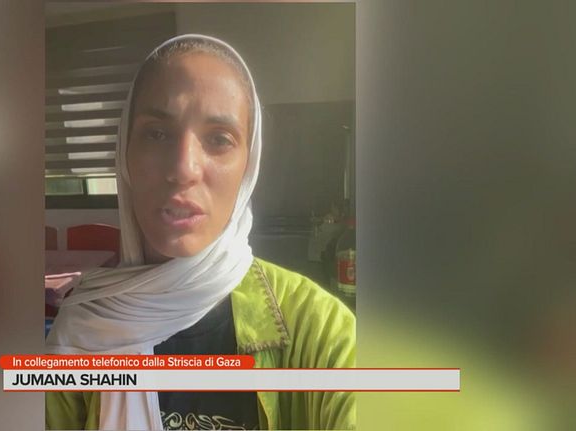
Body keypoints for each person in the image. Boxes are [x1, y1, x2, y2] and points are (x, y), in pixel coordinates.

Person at [46, 34, 355, 431]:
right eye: (157, 133)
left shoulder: (319, 328)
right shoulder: (82, 330)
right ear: (125, 153)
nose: (184, 169)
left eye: (219, 139)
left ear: (248, 166)